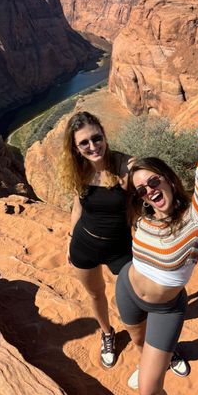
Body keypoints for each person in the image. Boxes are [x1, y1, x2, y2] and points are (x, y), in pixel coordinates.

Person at [115, 55, 198, 395]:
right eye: (142, 189)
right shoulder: (142, 216)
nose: (149, 190)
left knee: (149, 392)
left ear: (166, 178)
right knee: (137, 342)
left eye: (154, 181)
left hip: (166, 310)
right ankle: (146, 358)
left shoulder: (196, 217)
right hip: (126, 292)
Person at [59, 111, 133, 368]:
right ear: (76, 148)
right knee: (95, 294)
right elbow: (77, 208)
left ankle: (155, 343)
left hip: (120, 248)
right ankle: (107, 333)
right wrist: (70, 239)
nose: (93, 146)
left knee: (138, 298)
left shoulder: (124, 167)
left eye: (96, 138)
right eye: (84, 143)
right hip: (84, 246)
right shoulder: (79, 171)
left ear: (104, 134)